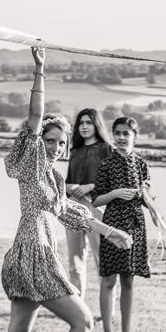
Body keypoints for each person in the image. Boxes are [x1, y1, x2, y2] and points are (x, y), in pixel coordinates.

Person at [0, 48, 132, 332]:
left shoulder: (56, 179)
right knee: (82, 323)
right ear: (38, 141)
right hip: (34, 255)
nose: (56, 147)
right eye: (50, 140)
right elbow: (34, 115)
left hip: (33, 254)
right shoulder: (32, 162)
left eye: (61, 142)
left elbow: (73, 213)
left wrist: (111, 232)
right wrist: (40, 70)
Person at [92, 116, 150, 332]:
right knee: (108, 280)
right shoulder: (106, 165)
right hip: (113, 223)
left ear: (135, 136)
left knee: (128, 280)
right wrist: (115, 193)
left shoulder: (142, 164)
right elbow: (96, 200)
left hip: (136, 224)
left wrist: (148, 194)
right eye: (117, 133)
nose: (121, 137)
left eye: (126, 133)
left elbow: (147, 199)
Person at [65, 108, 113, 298]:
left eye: (88, 122)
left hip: (96, 208)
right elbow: (68, 180)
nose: (84, 126)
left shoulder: (106, 149)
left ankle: (107, 308)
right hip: (72, 207)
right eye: (81, 123)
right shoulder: (75, 150)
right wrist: (69, 188)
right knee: (74, 261)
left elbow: (112, 181)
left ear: (96, 125)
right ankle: (77, 304)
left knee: (101, 259)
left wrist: (89, 186)